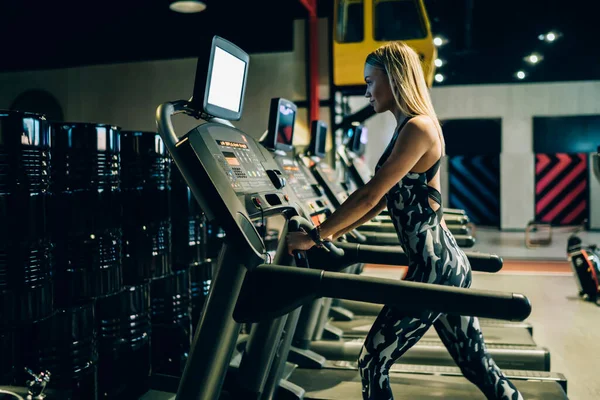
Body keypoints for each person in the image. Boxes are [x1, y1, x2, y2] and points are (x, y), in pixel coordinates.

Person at [286, 41, 524, 400]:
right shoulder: (406, 129)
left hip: (437, 268)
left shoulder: (418, 128)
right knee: (476, 364)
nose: (366, 92)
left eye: (370, 81)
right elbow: (380, 204)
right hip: (438, 266)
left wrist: (316, 234)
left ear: (394, 78)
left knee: (372, 362)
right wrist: (326, 237)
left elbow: (370, 193)